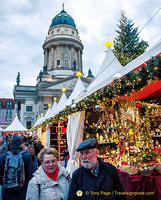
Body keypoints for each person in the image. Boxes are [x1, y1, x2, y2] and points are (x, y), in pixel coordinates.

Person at [0, 135, 33, 200]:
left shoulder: (3, 156)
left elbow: (0, 174)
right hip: (23, 189)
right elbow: (30, 174)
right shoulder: (26, 156)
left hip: (7, 190)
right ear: (21, 144)